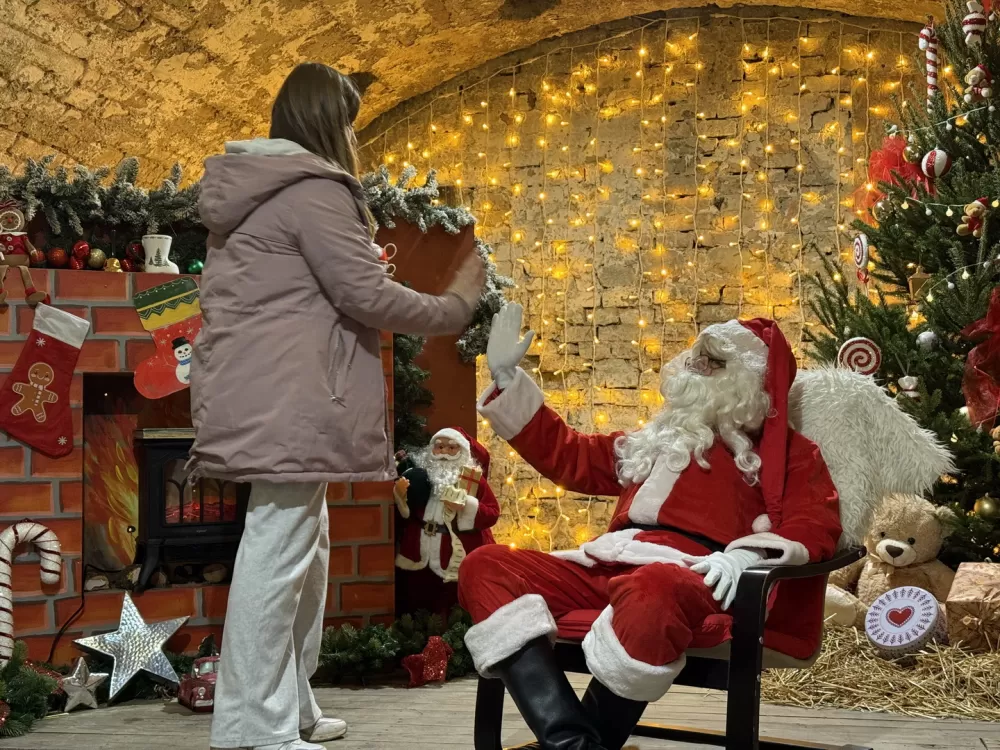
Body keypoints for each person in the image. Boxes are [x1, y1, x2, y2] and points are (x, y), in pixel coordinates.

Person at [189, 63, 485, 750]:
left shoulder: (270, 193)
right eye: (349, 123)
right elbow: (368, 299)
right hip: (290, 392)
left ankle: (287, 706)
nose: (353, 136)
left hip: (274, 386)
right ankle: (250, 727)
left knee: (305, 549)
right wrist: (459, 305)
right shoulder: (312, 193)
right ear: (329, 122)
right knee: (280, 549)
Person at [458, 304, 842, 750]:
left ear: (749, 382)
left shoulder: (788, 454)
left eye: (714, 361)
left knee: (653, 587)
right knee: (486, 564)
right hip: (610, 561)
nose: (696, 364)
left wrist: (746, 555)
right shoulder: (654, 439)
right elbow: (571, 456)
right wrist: (507, 380)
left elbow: (814, 523)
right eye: (696, 354)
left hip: (699, 575)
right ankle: (574, 743)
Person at [393, 427, 499, 616]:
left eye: (451, 448)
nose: (444, 453)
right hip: (418, 554)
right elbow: (409, 513)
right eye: (439, 447)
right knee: (415, 603)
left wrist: (465, 504)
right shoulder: (422, 477)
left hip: (451, 557)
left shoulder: (474, 482)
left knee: (450, 607)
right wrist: (401, 497)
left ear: (462, 452)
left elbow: (492, 513)